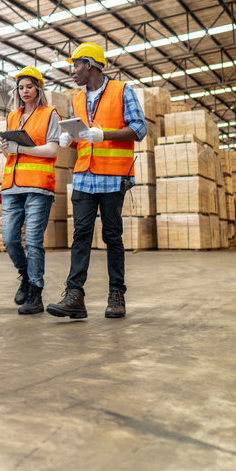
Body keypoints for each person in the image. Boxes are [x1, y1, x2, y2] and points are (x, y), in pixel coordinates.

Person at [48, 42, 146, 320]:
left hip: (114, 177)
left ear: (89, 64)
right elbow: (80, 135)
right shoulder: (76, 100)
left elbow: (139, 129)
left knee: (112, 236)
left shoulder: (122, 91)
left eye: (75, 66)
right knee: (80, 236)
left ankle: (117, 294)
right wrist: (69, 140)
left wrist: (105, 135)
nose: (72, 72)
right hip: (83, 176)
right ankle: (74, 295)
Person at [0, 67, 60, 315]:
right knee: (10, 240)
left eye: (29, 87)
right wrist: (3, 147)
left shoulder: (49, 113)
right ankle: (25, 275)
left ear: (38, 89)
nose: (25, 92)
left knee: (33, 242)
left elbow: (52, 151)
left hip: (38, 186)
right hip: (11, 186)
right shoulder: (13, 116)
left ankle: (36, 292)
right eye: (21, 88)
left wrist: (18, 149)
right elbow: (11, 153)